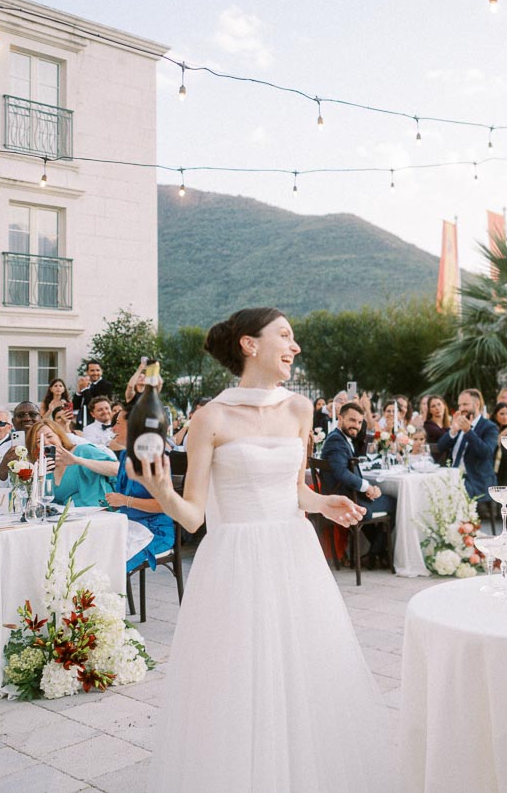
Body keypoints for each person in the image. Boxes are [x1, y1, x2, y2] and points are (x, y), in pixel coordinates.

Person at [131, 306, 383, 791]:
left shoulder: (300, 409)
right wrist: (163, 492)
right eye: (285, 337)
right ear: (250, 344)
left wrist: (324, 500)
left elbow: (294, 490)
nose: (295, 347)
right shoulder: (210, 417)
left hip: (294, 556)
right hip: (235, 563)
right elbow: (195, 515)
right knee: (239, 681)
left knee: (303, 675)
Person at [321, 402, 394, 568]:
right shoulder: (336, 442)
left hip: (350, 496)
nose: (356, 425)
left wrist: (365, 488)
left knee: (380, 501)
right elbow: (341, 472)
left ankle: (374, 554)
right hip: (348, 502)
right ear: (340, 418)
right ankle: (376, 553)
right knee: (394, 502)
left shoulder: (342, 438)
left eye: (360, 422)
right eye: (352, 420)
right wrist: (367, 487)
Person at [106, 450, 177, 574]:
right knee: (96, 547)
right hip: (129, 526)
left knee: (111, 560)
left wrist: (125, 500)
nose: (113, 429)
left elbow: (165, 505)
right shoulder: (125, 454)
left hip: (154, 531)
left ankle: (110, 591)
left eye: (118, 427)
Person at [26, 418, 116, 507]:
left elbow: (117, 470)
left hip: (101, 513)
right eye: (39, 441)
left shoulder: (82, 450)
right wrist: (36, 477)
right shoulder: (46, 469)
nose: (45, 442)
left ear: (60, 437)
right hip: (71, 518)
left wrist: (77, 460)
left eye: (49, 436)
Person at [431, 389, 498, 502]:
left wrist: (468, 432)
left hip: (476, 479)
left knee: (452, 491)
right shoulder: (460, 423)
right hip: (452, 475)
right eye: (460, 405)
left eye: (465, 404)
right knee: (429, 488)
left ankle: (456, 519)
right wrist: (453, 430)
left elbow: (486, 453)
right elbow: (440, 447)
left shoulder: (489, 427)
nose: (461, 408)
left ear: (476, 404)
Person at [0, 401, 41, 483]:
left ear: (41, 418)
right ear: (13, 421)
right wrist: (3, 467)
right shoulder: (1, 450)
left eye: (32, 414)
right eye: (20, 415)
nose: (27, 419)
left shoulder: (51, 445)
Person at [72, 360, 114, 425]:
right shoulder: (85, 384)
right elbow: (75, 406)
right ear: (87, 372)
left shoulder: (106, 385)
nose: (95, 373)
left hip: (96, 422)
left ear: (102, 371)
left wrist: (85, 389)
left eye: (97, 370)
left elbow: (95, 404)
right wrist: (79, 392)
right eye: (92, 370)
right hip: (82, 421)